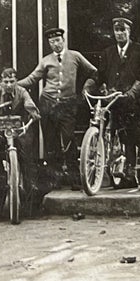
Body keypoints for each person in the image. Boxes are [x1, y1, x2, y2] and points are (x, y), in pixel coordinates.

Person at [22, 26, 97, 176]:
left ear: (63, 40)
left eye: (57, 40)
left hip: (67, 105)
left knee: (69, 138)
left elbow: (94, 72)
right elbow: (32, 79)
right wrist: (13, 85)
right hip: (47, 104)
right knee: (51, 140)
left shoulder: (75, 56)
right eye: (52, 42)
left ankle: (74, 176)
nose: (55, 44)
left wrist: (87, 88)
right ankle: (54, 177)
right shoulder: (46, 61)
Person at [91, 12, 140, 161]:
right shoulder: (108, 53)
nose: (119, 33)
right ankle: (126, 173)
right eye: (116, 30)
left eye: (123, 30)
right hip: (117, 103)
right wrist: (89, 86)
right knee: (123, 138)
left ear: (129, 31)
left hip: (137, 103)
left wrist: (132, 92)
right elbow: (100, 75)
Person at [0, 63, 40, 197]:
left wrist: (33, 113)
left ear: (16, 81)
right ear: (1, 82)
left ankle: (30, 189)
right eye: (6, 82)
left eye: (12, 82)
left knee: (26, 151)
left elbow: (29, 104)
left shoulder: (22, 92)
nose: (8, 85)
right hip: (0, 132)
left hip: (18, 131)